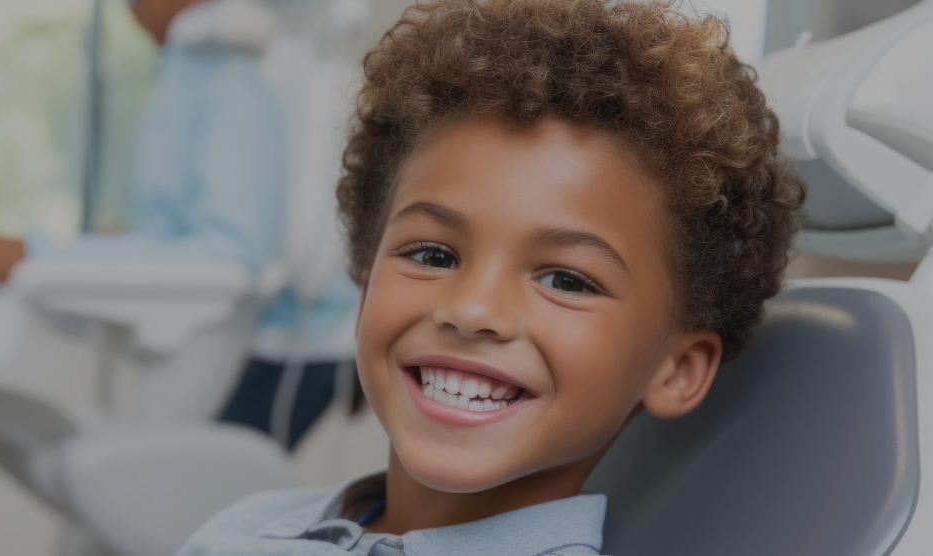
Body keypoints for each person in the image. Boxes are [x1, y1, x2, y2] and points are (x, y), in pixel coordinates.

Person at [175, 0, 807, 554]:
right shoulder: (244, 526)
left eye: (566, 280)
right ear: (366, 285)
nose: (472, 308)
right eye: (431, 255)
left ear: (677, 368)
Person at [0, 0, 360, 449]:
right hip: (254, 341)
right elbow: (180, 236)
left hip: (280, 350)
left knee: (161, 502)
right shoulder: (190, 74)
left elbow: (232, 254)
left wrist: (41, 256)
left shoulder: (232, 84)